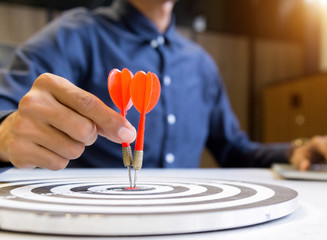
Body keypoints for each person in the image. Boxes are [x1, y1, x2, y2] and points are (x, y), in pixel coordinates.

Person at [0, 0, 325, 171]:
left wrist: (296, 151)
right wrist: (6, 134)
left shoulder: (201, 64)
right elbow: (8, 110)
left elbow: (234, 149)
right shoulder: (76, 34)